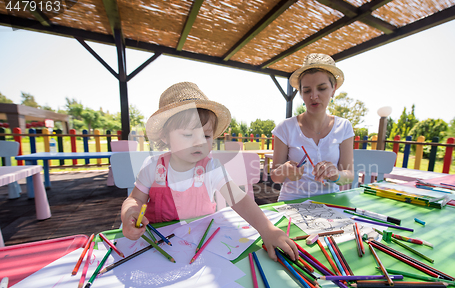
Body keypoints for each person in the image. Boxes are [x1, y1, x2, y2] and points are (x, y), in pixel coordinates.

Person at [121, 82, 298, 261]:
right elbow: (135, 199)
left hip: (204, 247)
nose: (199, 142)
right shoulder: (152, 166)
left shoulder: (211, 168)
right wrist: (129, 213)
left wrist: (267, 229)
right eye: (188, 135)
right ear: (165, 136)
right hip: (158, 248)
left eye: (206, 135)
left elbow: (239, 200)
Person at [271, 53, 354, 201]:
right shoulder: (285, 128)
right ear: (301, 93)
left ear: (333, 89)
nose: (313, 96)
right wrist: (285, 171)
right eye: (307, 90)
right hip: (292, 203)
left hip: (331, 202)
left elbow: (349, 176)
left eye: (321, 88)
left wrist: (336, 175)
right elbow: (275, 177)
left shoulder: (344, 127)